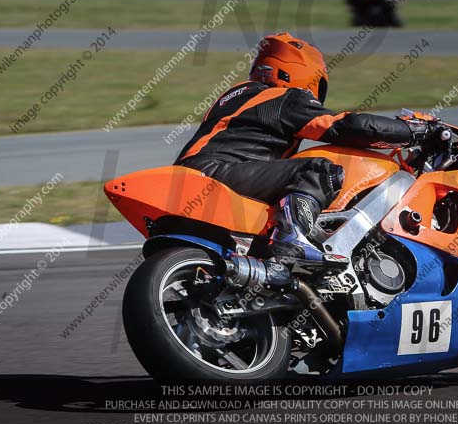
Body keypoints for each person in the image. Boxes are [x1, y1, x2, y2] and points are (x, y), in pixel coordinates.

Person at [175, 32, 432, 261]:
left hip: (194, 174)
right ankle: (290, 240)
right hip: (219, 172)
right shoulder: (283, 97)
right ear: (304, 73)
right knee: (320, 170)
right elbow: (344, 126)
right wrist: (413, 130)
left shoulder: (235, 95)